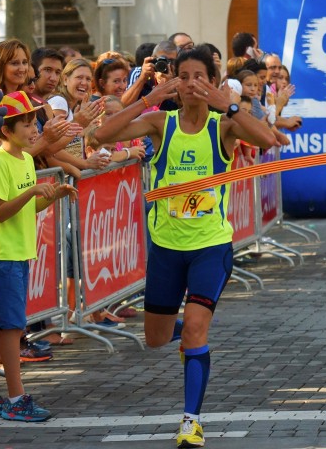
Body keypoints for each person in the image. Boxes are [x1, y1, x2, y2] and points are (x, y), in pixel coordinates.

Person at [95, 45, 277, 448]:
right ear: (175, 82)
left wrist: (228, 106)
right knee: (157, 337)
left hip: (211, 246)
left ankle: (191, 421)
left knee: (195, 329)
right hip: (166, 247)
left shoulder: (223, 126)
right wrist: (148, 99)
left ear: (211, 82)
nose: (192, 84)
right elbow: (100, 135)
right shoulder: (162, 122)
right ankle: (193, 345)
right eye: (185, 77)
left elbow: (268, 140)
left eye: (200, 76)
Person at [0, 91, 77, 422]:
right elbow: (1, 212)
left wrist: (51, 195)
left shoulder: (27, 160)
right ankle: (16, 399)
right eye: (27, 124)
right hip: (2, 256)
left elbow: (27, 206)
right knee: (12, 327)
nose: (34, 130)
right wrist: (32, 191)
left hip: (16, 254)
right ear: (6, 130)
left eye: (33, 123)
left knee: (2, 325)